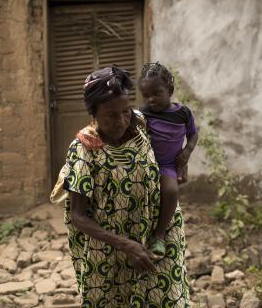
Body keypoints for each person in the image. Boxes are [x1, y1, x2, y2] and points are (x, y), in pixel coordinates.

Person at [61, 65, 190, 307]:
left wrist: (181, 162)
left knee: (168, 297)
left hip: (158, 232)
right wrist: (125, 245)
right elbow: (77, 216)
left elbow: (173, 139)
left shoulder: (141, 123)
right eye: (111, 115)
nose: (121, 120)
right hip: (112, 249)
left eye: (126, 111)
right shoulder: (84, 150)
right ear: (94, 113)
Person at [138, 62, 198, 260]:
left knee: (171, 190)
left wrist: (187, 152)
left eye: (157, 93)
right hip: (147, 164)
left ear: (170, 90)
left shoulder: (183, 114)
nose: (151, 99)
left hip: (167, 166)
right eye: (146, 95)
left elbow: (193, 134)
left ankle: (160, 235)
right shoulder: (143, 114)